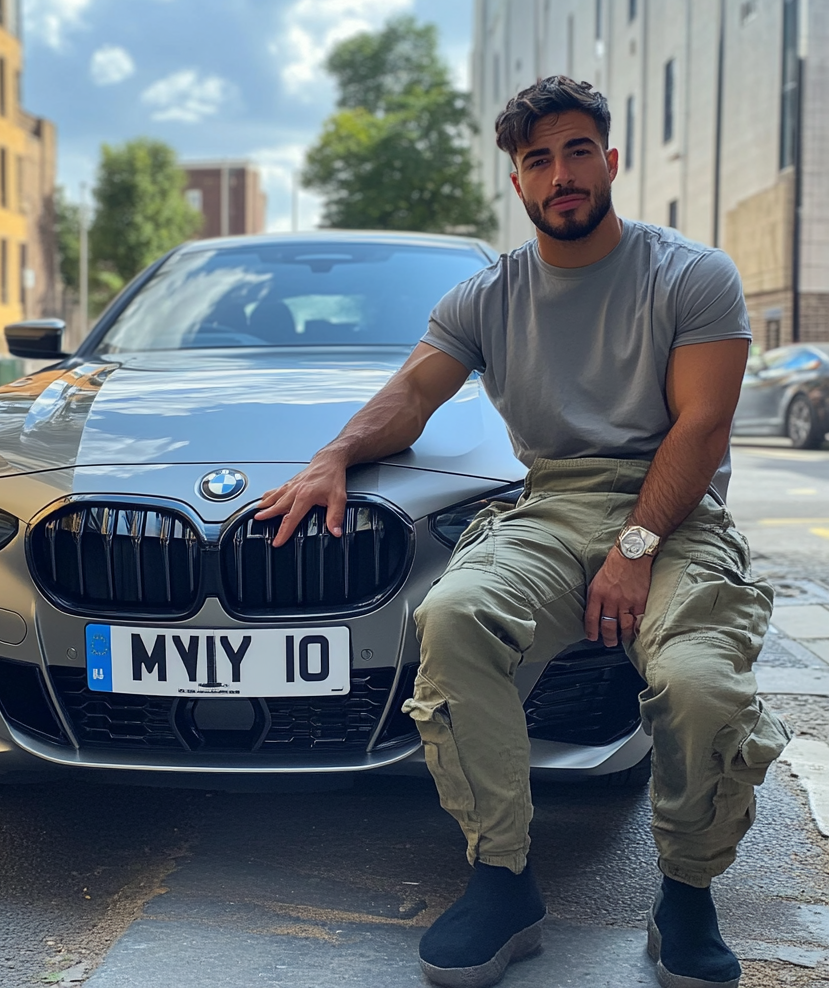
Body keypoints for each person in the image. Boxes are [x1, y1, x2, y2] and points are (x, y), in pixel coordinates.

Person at [255, 75, 791, 988]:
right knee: (454, 620)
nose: (561, 174)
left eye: (578, 150)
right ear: (518, 183)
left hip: (675, 513)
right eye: (538, 160)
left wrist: (634, 550)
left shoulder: (690, 274)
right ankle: (501, 879)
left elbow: (701, 429)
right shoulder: (488, 296)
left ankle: (686, 894)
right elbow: (415, 394)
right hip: (548, 506)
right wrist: (334, 454)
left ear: (610, 161)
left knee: (702, 684)